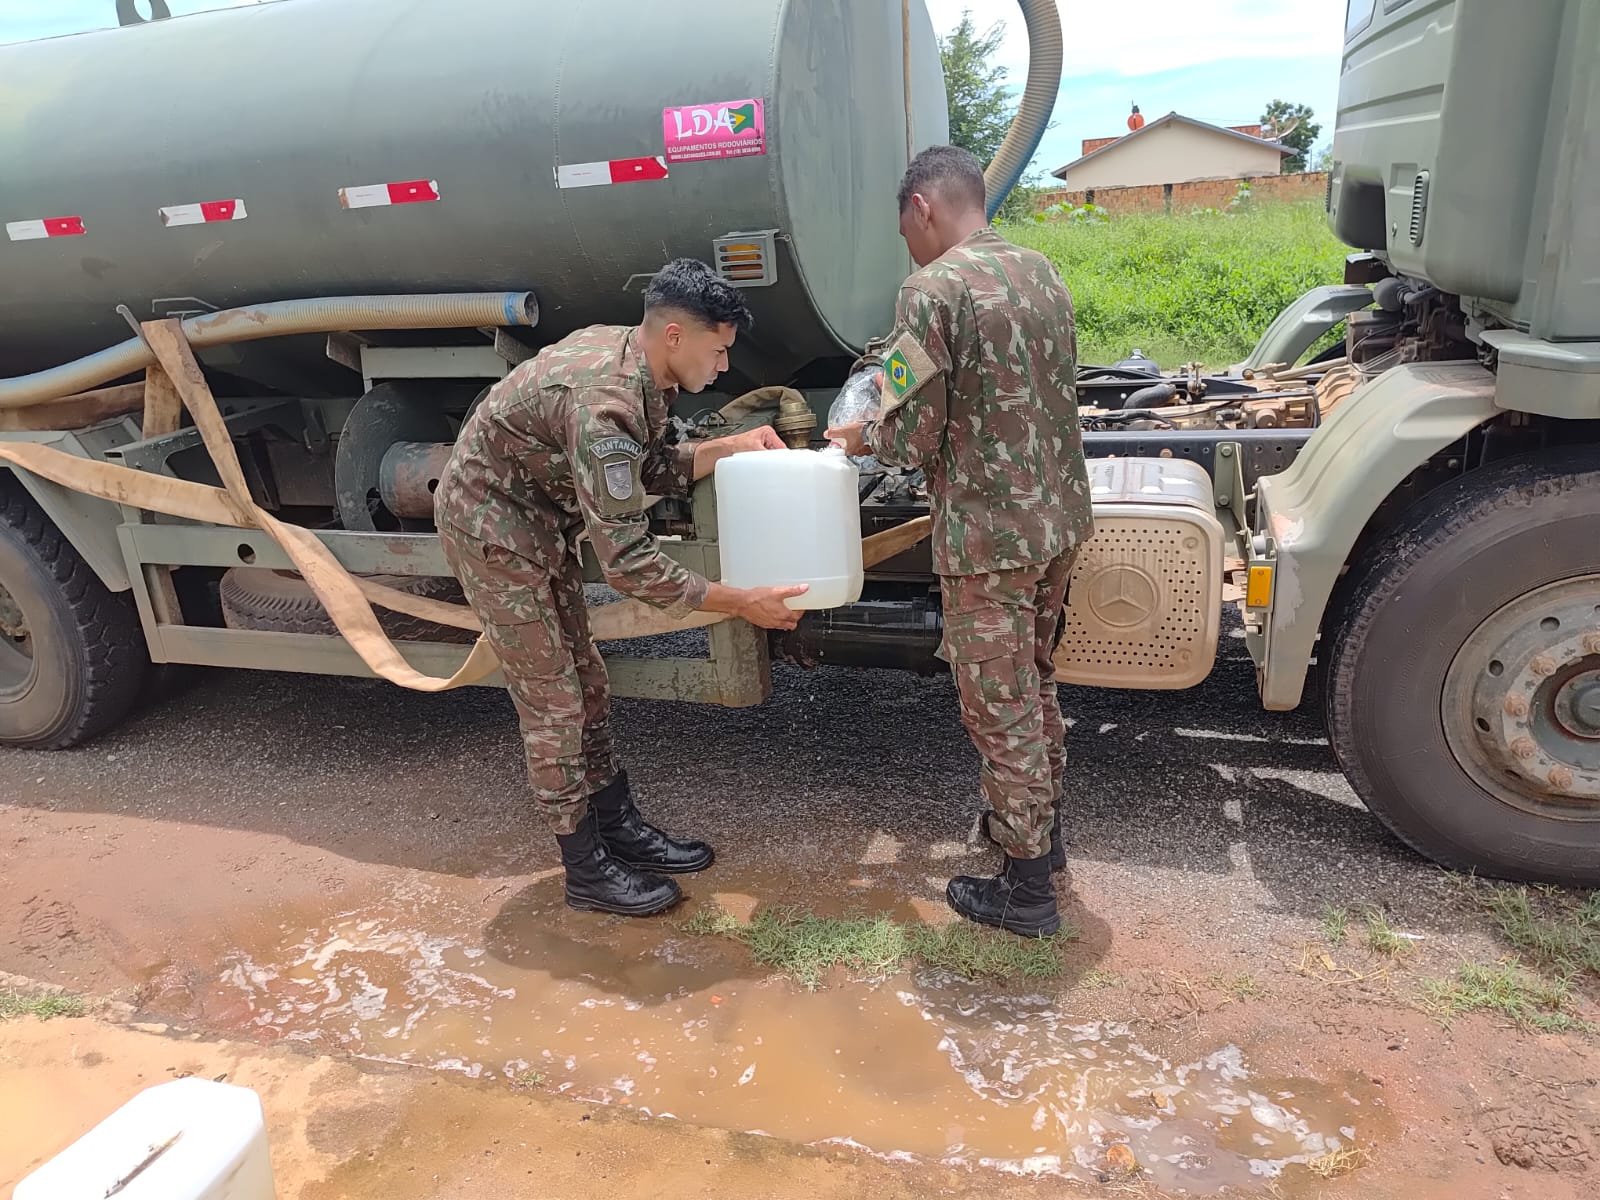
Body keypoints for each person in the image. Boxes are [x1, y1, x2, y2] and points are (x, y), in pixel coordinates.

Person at [434, 259, 807, 918]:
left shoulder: (645, 370)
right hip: (492, 529)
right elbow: (630, 566)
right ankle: (586, 870)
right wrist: (740, 601)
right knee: (554, 701)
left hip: (539, 521)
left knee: (590, 681)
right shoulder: (606, 402)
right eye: (718, 352)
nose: (723, 368)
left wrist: (731, 445)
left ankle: (618, 828)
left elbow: (652, 468)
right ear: (674, 336)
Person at [826, 146, 1093, 938]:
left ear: (921, 207)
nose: (905, 242)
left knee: (998, 705)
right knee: (1035, 682)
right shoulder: (1040, 269)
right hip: (1058, 521)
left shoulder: (931, 289)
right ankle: (1042, 838)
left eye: (902, 225)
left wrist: (858, 434)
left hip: (989, 535)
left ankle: (1026, 892)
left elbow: (911, 434)